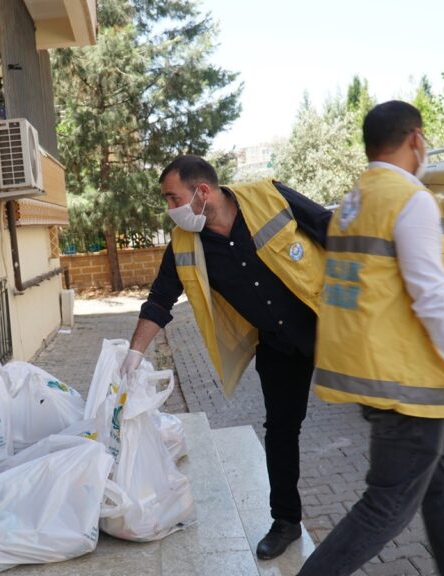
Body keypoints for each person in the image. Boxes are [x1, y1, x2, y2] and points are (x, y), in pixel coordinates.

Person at [296, 101, 444, 576]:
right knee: (385, 508)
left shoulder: (356, 200)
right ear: (415, 138)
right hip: (404, 380)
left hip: (374, 373)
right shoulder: (409, 199)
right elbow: (433, 298)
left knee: (441, 491)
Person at [120, 154, 331, 559]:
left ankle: (433, 471)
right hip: (277, 345)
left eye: (171, 197)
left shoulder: (268, 198)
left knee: (382, 402)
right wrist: (134, 353)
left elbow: (328, 228)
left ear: (202, 192)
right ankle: (286, 521)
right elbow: (160, 299)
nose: (170, 209)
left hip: (329, 322)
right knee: (282, 431)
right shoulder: (184, 243)